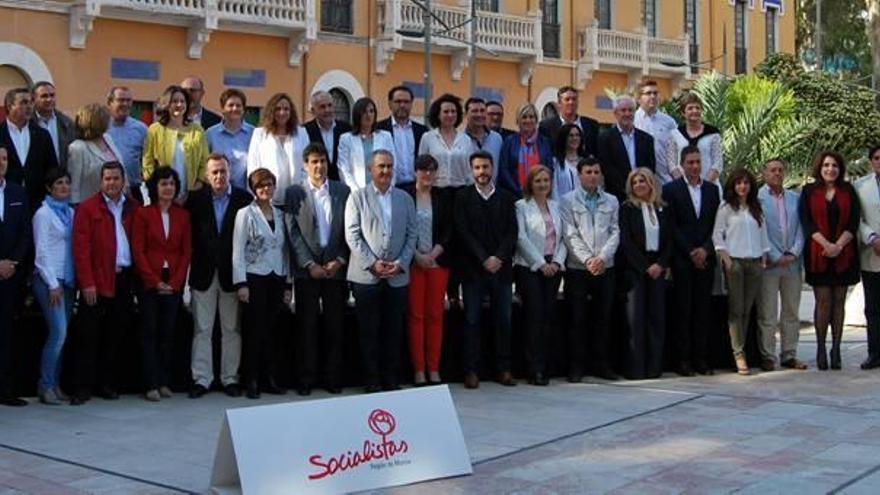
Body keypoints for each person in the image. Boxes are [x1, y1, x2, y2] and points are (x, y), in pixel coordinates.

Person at [344, 149, 416, 393]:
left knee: (393, 330)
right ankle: (371, 379)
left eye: (389, 166)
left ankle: (391, 378)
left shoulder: (405, 198)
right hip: (366, 276)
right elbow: (352, 235)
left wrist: (401, 263)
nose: (386, 171)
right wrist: (372, 263)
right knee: (368, 331)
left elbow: (412, 234)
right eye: (381, 166)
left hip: (397, 276)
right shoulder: (357, 198)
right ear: (370, 169)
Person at [283, 144, 350, 396]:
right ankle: (306, 378)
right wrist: (309, 264)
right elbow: (292, 230)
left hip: (335, 270)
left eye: (322, 161)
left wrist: (340, 260)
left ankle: (333, 377)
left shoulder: (343, 191)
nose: (319, 166)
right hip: (307, 271)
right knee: (307, 327)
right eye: (314, 161)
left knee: (335, 327)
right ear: (305, 164)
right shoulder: (294, 193)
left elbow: (348, 229)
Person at [186, 153, 252, 399]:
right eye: (214, 172)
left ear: (230, 172)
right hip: (202, 271)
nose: (219, 176)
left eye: (223, 171)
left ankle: (230, 378)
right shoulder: (194, 201)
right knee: (202, 329)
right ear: (206, 175)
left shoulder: (244, 199)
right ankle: (201, 379)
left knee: (231, 329)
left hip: (231, 273)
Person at [71, 162, 137, 405]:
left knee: (115, 336)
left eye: (116, 178)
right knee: (88, 337)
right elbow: (81, 249)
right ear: (101, 181)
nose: (112, 183)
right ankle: (82, 388)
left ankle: (106, 384)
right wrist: (87, 283)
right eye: (107, 178)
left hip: (123, 279)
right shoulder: (88, 208)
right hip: (96, 281)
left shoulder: (132, 207)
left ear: (123, 181)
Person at [455, 151, 517, 389]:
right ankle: (471, 370)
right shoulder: (463, 197)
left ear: (493, 168)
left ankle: (504, 369)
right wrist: (484, 258)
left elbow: (512, 232)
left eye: (486, 167)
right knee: (472, 321)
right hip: (473, 270)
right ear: (472, 171)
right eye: (478, 168)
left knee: (504, 320)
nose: (482, 172)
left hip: (501, 271)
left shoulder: (506, 197)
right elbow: (463, 232)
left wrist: (498, 257)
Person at [132, 167, 191, 401]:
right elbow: (139, 250)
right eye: (163, 184)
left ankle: (165, 381)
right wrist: (154, 281)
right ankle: (151, 383)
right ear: (155, 188)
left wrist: (175, 282)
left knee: (168, 333)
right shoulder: (143, 214)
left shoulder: (183, 215)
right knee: (150, 333)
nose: (168, 188)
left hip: (173, 282)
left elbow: (186, 252)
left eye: (172, 184)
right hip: (149, 282)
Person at [662, 145, 720, 376]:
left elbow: (717, 224)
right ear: (682, 164)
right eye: (690, 163)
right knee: (683, 310)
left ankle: (701, 358)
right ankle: (683, 360)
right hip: (683, 259)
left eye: (698, 162)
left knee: (702, 311)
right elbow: (671, 226)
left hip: (706, 258)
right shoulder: (671, 189)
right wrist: (690, 252)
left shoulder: (712, 190)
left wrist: (705, 250)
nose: (695, 167)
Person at [560, 156, 620, 381]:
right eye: (588, 172)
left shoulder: (612, 201)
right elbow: (569, 234)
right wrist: (587, 260)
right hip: (578, 268)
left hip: (605, 268)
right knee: (577, 319)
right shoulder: (567, 201)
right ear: (579, 174)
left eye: (596, 172)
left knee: (602, 319)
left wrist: (602, 258)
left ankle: (601, 364)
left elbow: (615, 231)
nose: (593, 176)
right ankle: (576, 366)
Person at [233, 168, 291, 398]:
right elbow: (237, 251)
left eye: (269, 184)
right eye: (260, 186)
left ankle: (270, 378)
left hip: (276, 277)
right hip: (254, 277)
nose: (265, 189)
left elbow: (285, 250)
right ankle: (252, 380)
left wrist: (288, 283)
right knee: (254, 331)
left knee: (272, 331)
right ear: (254, 189)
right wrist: (241, 283)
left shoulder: (280, 214)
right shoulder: (245, 214)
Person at [800, 151, 860, 370]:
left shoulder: (848, 191)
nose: (830, 169)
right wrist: (827, 245)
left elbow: (853, 223)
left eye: (834, 165)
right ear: (820, 167)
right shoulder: (808, 191)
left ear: (840, 168)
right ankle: (820, 348)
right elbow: (806, 223)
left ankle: (836, 348)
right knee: (823, 301)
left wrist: (838, 246)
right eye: (826, 165)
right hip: (818, 254)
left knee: (839, 302)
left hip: (844, 253)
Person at [713, 168, 769, 375]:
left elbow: (763, 233)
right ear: (732, 186)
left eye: (745, 183)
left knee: (747, 309)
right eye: (738, 183)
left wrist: (763, 256)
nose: (742, 187)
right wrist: (726, 259)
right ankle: (739, 354)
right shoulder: (726, 208)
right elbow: (717, 235)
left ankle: (743, 347)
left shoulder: (756, 208)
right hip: (735, 263)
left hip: (754, 263)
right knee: (736, 310)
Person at [402, 155, 453, 386]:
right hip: (413, 263)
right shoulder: (405, 196)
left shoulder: (442, 197)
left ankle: (434, 368)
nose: (428, 175)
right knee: (416, 317)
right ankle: (419, 369)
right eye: (423, 170)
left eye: (432, 170)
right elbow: (400, 228)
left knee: (435, 317)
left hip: (436, 264)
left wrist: (433, 255)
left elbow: (448, 230)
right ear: (415, 172)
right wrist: (416, 255)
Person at [514, 165, 566, 385]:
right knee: (534, 318)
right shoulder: (521, 206)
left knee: (548, 318)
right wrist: (539, 263)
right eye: (538, 181)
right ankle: (533, 368)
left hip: (553, 267)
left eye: (546, 180)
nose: (543, 184)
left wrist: (556, 262)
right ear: (530, 184)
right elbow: (521, 238)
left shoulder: (556, 206)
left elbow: (563, 238)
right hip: (529, 267)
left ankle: (546, 366)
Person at [619, 168, 671, 380]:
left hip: (658, 267)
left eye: (643, 181)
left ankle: (654, 367)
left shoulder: (663, 208)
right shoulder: (628, 208)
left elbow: (669, 239)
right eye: (635, 182)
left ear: (651, 183)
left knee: (656, 318)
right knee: (636, 319)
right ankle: (636, 368)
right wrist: (644, 266)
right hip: (636, 269)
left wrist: (661, 263)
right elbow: (626, 241)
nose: (639, 185)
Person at [757, 158, 807, 371]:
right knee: (767, 312)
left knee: (791, 312)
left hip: (793, 264)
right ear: (764, 173)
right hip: (770, 264)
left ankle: (789, 354)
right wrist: (777, 255)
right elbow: (759, 230)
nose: (777, 173)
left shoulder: (794, 198)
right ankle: (767, 355)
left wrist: (793, 252)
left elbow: (801, 229)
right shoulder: (757, 198)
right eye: (772, 170)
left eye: (780, 170)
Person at [32, 168, 75, 405]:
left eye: (67, 183)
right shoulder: (43, 214)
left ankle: (56, 384)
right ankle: (45, 384)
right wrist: (51, 284)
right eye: (59, 183)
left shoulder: (70, 212)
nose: (64, 187)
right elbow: (42, 252)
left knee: (64, 334)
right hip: (50, 280)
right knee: (58, 332)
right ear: (49, 187)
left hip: (67, 278)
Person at [0, 144, 31, 407]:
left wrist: (12, 263)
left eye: (3, 158)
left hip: (10, 275)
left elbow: (25, 233)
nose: (0, 162)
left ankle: (5, 389)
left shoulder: (17, 192)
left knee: (6, 333)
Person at [142, 85, 209, 199]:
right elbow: (147, 162)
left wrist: (198, 184)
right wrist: (157, 187)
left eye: (182, 101)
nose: (179, 105)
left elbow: (205, 161)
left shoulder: (197, 130)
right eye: (174, 101)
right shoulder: (155, 130)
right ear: (166, 104)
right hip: (162, 195)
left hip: (191, 194)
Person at [248, 93, 311, 206]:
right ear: (271, 111)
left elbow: (307, 165)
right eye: (278, 109)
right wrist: (259, 194)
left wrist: (301, 188)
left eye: (286, 109)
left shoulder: (301, 133)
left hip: (296, 198)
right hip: (268, 198)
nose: (282, 112)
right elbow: (253, 167)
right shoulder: (260, 134)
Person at [0, 88, 58, 209]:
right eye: (24, 102)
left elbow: (52, 168)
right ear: (10, 106)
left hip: (37, 201)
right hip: (6, 201)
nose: (29, 106)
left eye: (31, 102)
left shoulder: (42, 135)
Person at [597, 95, 656, 202]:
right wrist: (628, 187)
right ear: (615, 113)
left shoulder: (647, 139)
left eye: (630, 110)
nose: (627, 114)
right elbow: (607, 167)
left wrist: (639, 186)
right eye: (623, 110)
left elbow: (650, 166)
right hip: (616, 195)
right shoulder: (604, 139)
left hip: (643, 194)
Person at [337, 97, 396, 192]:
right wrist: (357, 193)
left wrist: (387, 188)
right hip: (357, 191)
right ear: (357, 115)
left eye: (371, 111)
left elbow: (393, 164)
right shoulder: (346, 139)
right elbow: (343, 169)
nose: (368, 115)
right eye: (364, 112)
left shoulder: (385, 136)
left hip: (382, 190)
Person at [417, 93, 472, 196]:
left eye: (453, 111)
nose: (450, 115)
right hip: (435, 192)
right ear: (438, 114)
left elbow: (470, 170)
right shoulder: (428, 137)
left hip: (461, 192)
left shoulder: (465, 139)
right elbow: (422, 168)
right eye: (446, 112)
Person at [68, 103, 123, 204]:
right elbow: (74, 185)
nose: (110, 121)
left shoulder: (108, 139)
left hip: (115, 203)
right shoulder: (77, 148)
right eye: (106, 118)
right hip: (90, 207)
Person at [665, 93, 724, 185]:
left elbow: (717, 163)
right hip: (683, 188)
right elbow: (671, 164)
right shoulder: (675, 135)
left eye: (697, 108)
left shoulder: (713, 133)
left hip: (710, 186)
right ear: (683, 113)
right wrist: (685, 185)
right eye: (690, 108)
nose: (694, 111)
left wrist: (705, 185)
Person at [498, 103, 553, 198]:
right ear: (518, 120)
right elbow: (504, 169)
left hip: (540, 195)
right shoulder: (509, 141)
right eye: (524, 117)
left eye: (531, 117)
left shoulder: (544, 141)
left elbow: (549, 167)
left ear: (536, 120)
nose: (528, 120)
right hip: (513, 195)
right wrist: (518, 190)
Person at [377, 85, 428, 189]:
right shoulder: (379, 129)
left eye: (406, 102)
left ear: (411, 104)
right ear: (390, 104)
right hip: (389, 187)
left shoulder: (422, 131)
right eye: (398, 101)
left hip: (416, 188)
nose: (402, 105)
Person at [857, 146, 880, 370]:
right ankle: (874, 353)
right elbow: (857, 219)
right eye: (877, 158)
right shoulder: (861, 186)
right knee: (872, 309)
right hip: (871, 254)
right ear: (871, 161)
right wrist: (871, 238)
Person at [205, 88, 255, 191]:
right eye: (230, 105)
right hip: (218, 192)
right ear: (223, 109)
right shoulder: (211, 134)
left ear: (243, 109)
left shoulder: (254, 133)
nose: (235, 108)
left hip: (246, 193)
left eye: (238, 105)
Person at [634, 80, 678, 186]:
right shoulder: (632, 121)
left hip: (665, 182)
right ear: (639, 98)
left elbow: (677, 150)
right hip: (640, 183)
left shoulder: (669, 122)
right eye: (648, 93)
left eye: (655, 93)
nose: (653, 96)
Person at [106, 87, 148, 196]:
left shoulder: (141, 129)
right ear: (110, 102)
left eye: (128, 100)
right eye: (120, 100)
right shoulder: (101, 127)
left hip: (133, 191)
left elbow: (148, 159)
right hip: (107, 189)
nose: (125, 104)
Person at [304, 91, 352, 182]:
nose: (327, 110)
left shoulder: (346, 129)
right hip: (316, 186)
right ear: (313, 110)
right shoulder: (305, 131)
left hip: (342, 187)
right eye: (322, 107)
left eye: (330, 105)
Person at [538, 86, 599, 157]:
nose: (571, 102)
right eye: (567, 99)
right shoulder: (546, 126)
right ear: (559, 103)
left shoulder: (591, 125)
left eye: (574, 99)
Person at [31, 81, 75, 170]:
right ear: (33, 99)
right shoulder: (27, 123)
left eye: (52, 95)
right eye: (44, 96)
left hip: (60, 177)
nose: (49, 99)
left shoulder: (66, 123)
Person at [463, 97, 503, 183]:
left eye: (482, 111)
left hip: (492, 192)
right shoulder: (460, 139)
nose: (479, 114)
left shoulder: (497, 139)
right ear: (466, 114)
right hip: (467, 192)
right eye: (474, 111)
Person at [550, 123, 583, 199]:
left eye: (577, 135)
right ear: (564, 138)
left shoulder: (586, 160)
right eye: (571, 135)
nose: (575, 138)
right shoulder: (555, 162)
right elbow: (554, 190)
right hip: (562, 207)